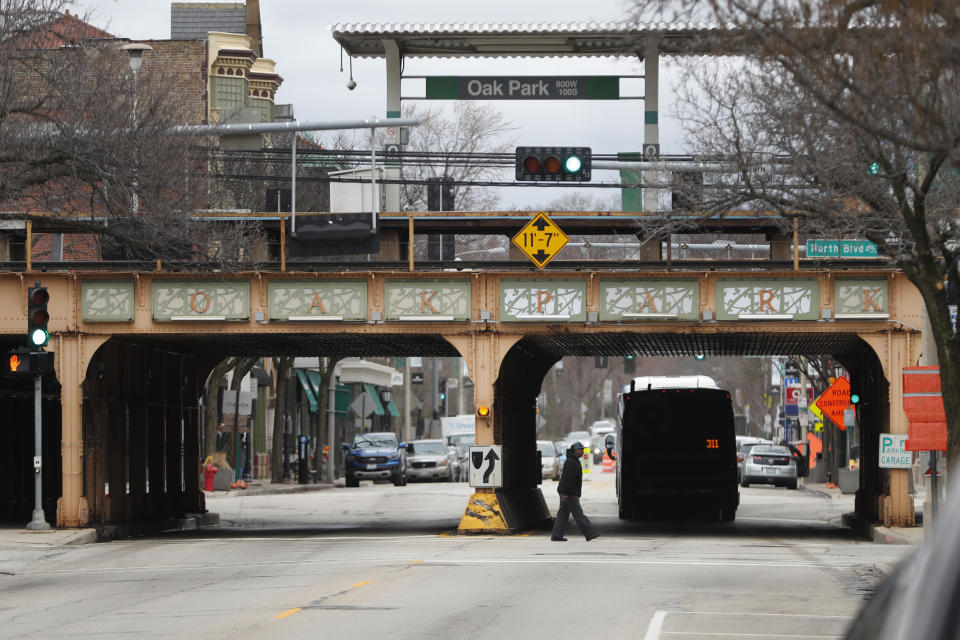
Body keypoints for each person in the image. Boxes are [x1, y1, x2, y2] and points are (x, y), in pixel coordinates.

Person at [551, 441, 599, 542]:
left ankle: (556, 535)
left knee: (563, 514)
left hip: (567, 491)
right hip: (569, 492)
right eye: (580, 450)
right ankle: (589, 533)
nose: (582, 452)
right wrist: (565, 493)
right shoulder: (571, 462)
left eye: (583, 450)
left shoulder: (573, 460)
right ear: (575, 450)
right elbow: (568, 479)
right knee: (578, 513)